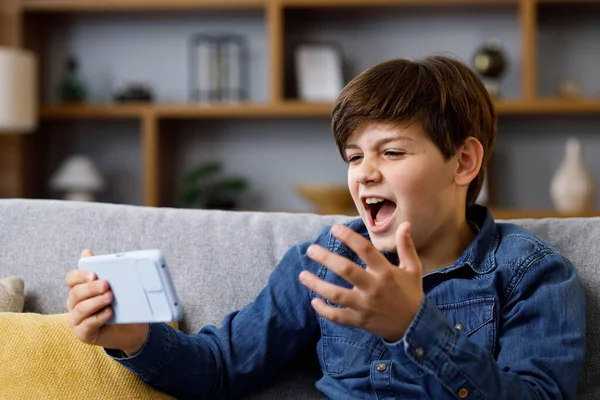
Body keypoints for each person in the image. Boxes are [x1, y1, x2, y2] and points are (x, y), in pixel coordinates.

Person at [65, 55, 586, 399]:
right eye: (354, 155)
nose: (365, 172)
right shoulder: (327, 260)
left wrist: (415, 328)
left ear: (464, 162)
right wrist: (133, 337)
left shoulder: (531, 274)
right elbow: (223, 365)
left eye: (393, 151)